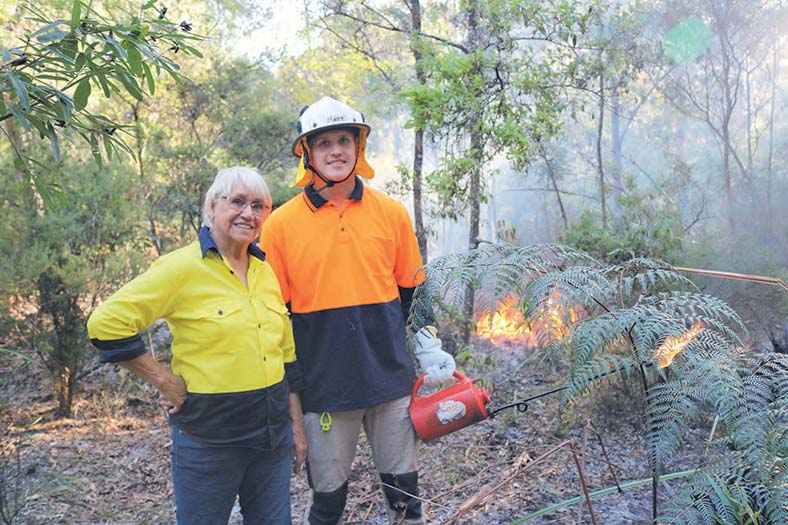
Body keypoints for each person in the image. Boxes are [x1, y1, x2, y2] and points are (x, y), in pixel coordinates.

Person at [260, 96, 456, 525]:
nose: (335, 151)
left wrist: (428, 346)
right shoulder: (280, 225)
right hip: (325, 387)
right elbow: (274, 318)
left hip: (389, 380)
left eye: (344, 140)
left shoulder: (391, 212)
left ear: (358, 147)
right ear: (307, 154)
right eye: (323, 142)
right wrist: (289, 393)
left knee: (405, 498)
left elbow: (415, 293)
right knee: (328, 502)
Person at [87, 166, 306, 525]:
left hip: (271, 440)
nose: (248, 214)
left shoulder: (264, 271)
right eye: (237, 202)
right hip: (209, 441)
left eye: (258, 206)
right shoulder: (180, 268)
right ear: (213, 207)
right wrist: (165, 381)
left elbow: (286, 354)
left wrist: (296, 428)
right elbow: (105, 323)